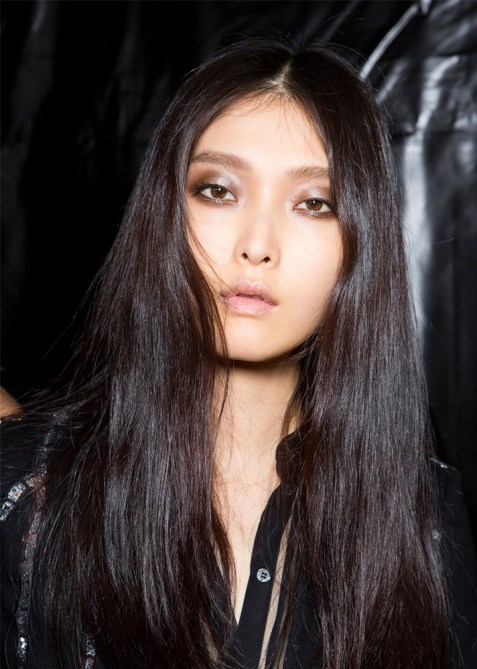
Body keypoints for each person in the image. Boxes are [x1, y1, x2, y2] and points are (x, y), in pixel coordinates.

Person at [1, 37, 476, 669]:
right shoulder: (27, 490)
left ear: (360, 246)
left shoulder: (425, 515)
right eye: (218, 190)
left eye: (314, 203)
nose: (257, 245)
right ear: (164, 216)